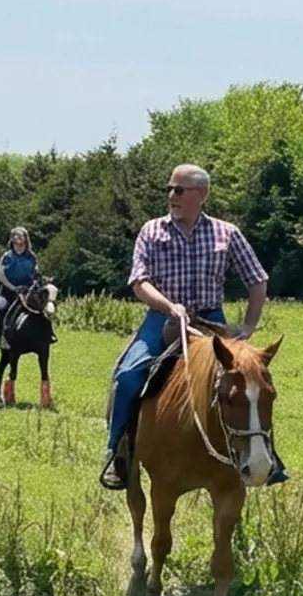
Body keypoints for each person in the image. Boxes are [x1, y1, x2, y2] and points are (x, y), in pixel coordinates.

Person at [100, 164, 285, 491]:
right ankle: (118, 453)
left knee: (252, 381)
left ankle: (267, 456)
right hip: (163, 320)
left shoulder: (226, 233)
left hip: (212, 323)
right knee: (128, 376)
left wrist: (248, 327)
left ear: (202, 195)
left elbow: (257, 279)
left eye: (180, 190)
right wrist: (169, 306)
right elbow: (139, 281)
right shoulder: (152, 231)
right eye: (170, 189)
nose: (172, 196)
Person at [0, 227, 37, 348]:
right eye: (16, 235)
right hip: (8, 292)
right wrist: (12, 287)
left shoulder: (31, 256)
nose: (18, 237)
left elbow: (35, 271)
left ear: (26, 239)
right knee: (1, 308)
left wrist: (35, 280)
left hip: (27, 292)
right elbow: (1, 274)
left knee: (42, 308)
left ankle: (46, 335)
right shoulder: (7, 256)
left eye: (21, 235)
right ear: (12, 239)